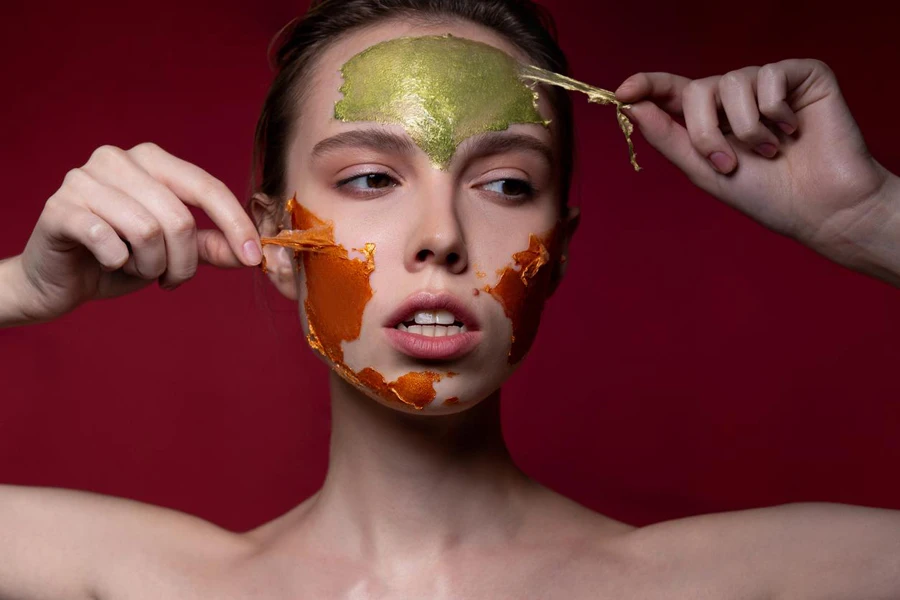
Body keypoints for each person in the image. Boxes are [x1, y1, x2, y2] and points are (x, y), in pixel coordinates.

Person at [1, 0, 898, 597]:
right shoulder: (150, 583)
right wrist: (19, 286)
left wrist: (871, 219)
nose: (442, 237)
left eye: (506, 185)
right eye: (367, 176)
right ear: (273, 240)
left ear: (559, 252)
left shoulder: (743, 581)